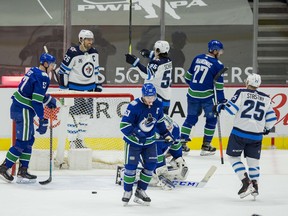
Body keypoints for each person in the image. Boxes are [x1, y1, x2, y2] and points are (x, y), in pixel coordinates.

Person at [214, 73, 277, 199]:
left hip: (239, 133)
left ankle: (245, 181)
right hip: (256, 136)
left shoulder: (242, 92)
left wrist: (220, 106)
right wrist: (266, 129)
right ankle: (255, 186)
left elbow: (231, 110)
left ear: (247, 82)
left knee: (233, 157)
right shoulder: (266, 98)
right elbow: (272, 118)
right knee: (253, 162)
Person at [0, 53, 57, 183]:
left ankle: (23, 170)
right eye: (52, 64)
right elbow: (36, 101)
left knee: (29, 140)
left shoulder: (33, 70)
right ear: (46, 64)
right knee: (22, 142)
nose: (53, 67)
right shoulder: (43, 77)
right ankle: (4, 167)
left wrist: (47, 98)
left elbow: (31, 92)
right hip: (23, 110)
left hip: (19, 107)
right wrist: (42, 118)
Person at [120, 83, 174, 206]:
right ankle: (127, 191)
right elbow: (123, 126)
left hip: (150, 143)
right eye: (148, 97)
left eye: (152, 97)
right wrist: (137, 133)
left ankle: (141, 190)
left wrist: (166, 134)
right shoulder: (134, 106)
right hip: (134, 143)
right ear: (143, 95)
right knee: (130, 168)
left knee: (150, 167)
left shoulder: (158, 104)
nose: (151, 100)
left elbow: (160, 122)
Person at [57, 29, 102, 149]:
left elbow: (96, 70)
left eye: (91, 39)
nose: (90, 42)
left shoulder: (95, 53)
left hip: (89, 91)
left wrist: (97, 85)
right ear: (81, 39)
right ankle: (72, 142)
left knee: (85, 117)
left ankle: (80, 140)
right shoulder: (72, 52)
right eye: (88, 39)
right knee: (74, 116)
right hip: (74, 90)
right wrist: (64, 89)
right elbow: (63, 72)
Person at [180, 39, 226, 155]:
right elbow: (219, 88)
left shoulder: (197, 58)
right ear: (214, 50)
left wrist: (196, 87)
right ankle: (206, 146)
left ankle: (181, 145)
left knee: (190, 119)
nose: (221, 53)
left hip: (192, 95)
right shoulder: (218, 65)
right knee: (212, 119)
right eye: (220, 51)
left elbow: (187, 78)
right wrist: (221, 101)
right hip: (207, 98)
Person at [125, 40, 172, 114]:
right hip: (166, 99)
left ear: (157, 50)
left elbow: (147, 75)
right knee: (162, 123)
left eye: (155, 49)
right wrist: (149, 54)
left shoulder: (156, 63)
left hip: (155, 99)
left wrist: (136, 63)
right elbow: (159, 57)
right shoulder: (168, 61)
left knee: (152, 122)